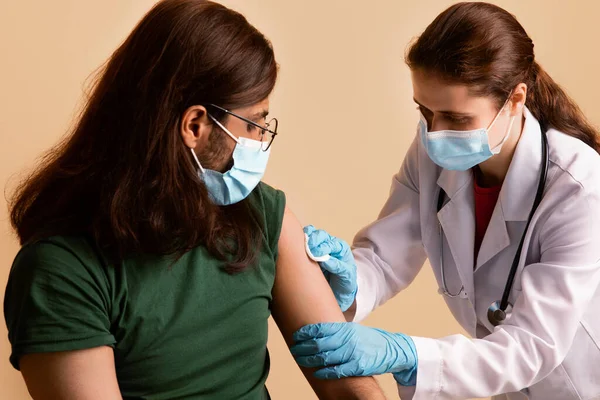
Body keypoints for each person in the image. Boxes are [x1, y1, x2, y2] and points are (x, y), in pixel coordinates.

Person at [2, 1, 387, 399]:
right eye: (255, 124)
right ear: (195, 125)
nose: (261, 142)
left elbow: (350, 385)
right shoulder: (62, 269)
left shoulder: (261, 215)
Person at [296, 2, 600, 400]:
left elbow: (532, 345)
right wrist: (349, 281)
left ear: (515, 99)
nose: (435, 133)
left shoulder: (580, 186)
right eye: (425, 111)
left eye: (456, 119)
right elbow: (387, 256)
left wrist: (407, 354)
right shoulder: (432, 151)